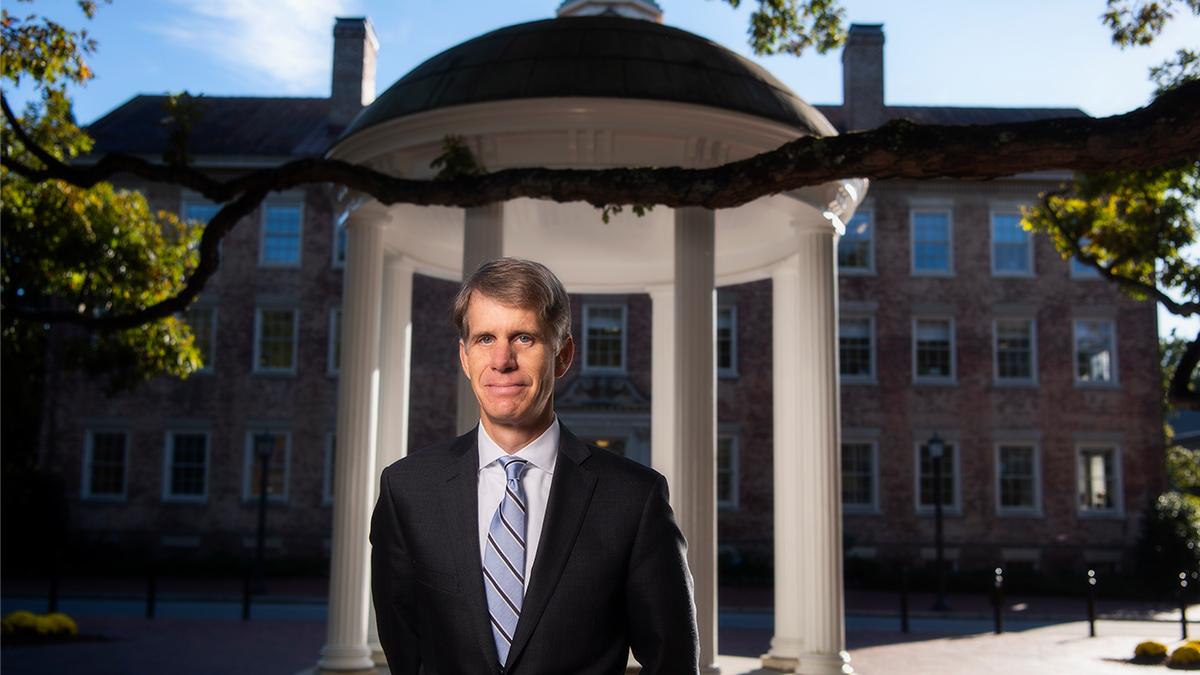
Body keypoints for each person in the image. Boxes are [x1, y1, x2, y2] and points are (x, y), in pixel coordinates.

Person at [370, 257, 700, 674]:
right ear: (465, 357)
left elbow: (672, 662)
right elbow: (406, 655)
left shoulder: (633, 499)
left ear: (562, 356)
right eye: (485, 338)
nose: (502, 359)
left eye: (524, 338)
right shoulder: (408, 491)